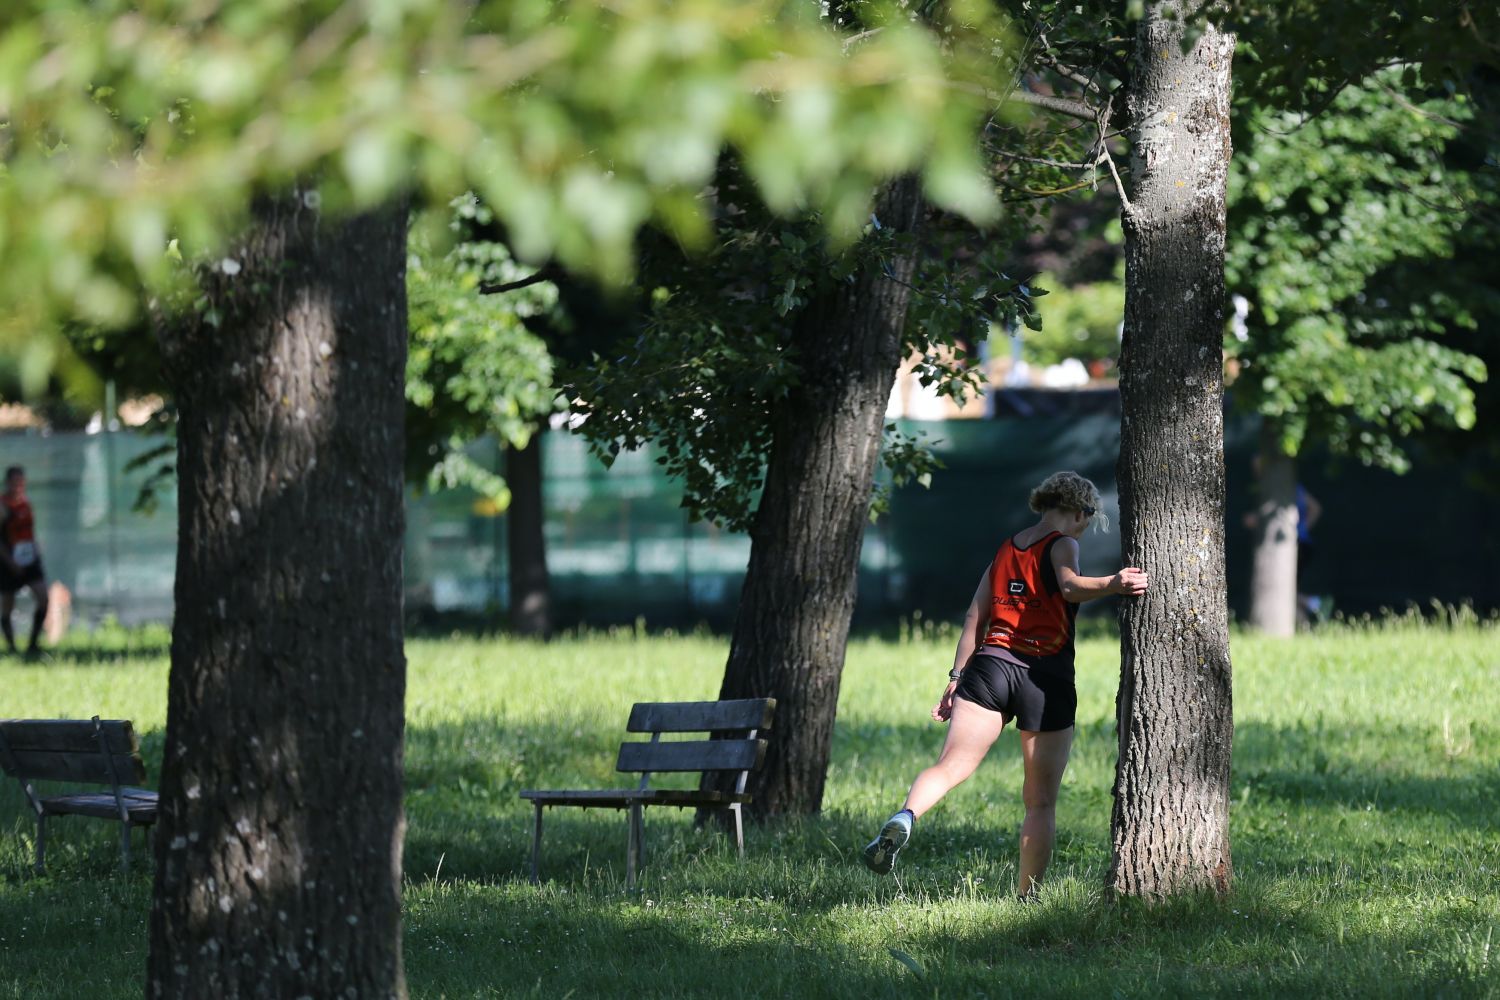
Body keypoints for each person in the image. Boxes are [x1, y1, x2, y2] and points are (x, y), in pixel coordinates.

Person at [860, 471, 1148, 898]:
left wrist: (955, 678)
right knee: (1039, 801)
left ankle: (906, 816)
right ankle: (1026, 895)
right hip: (1043, 675)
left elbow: (975, 618)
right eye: (1088, 515)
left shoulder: (1006, 548)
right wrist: (1114, 583)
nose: (1087, 525)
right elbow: (1069, 587)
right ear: (1072, 510)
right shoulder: (1064, 543)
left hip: (990, 667)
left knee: (951, 765)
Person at [1, 465, 50, 658]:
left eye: (21, 482)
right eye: (14, 482)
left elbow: (29, 533)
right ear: (7, 483)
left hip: (29, 560)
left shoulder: (26, 504)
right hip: (8, 562)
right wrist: (10, 562)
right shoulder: (3, 506)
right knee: (7, 605)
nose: (18, 486)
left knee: (43, 598)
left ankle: (32, 645)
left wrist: (36, 548)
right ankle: (12, 649)